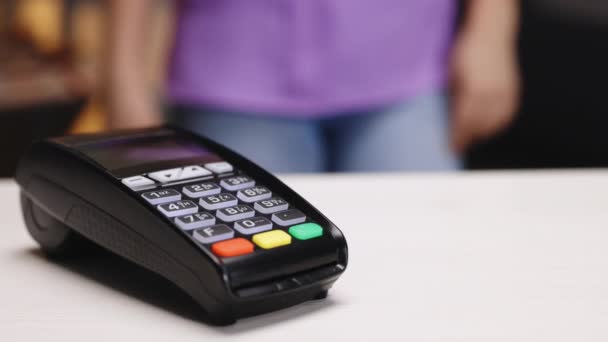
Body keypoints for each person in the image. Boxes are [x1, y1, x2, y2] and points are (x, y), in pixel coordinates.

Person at [104, 0, 520, 173]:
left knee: (424, 271)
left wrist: (492, 26)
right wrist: (124, 72)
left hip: (404, 60)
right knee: (252, 282)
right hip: (235, 69)